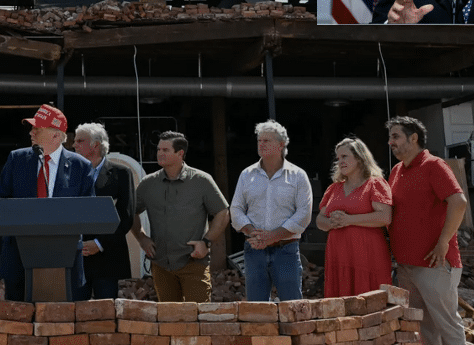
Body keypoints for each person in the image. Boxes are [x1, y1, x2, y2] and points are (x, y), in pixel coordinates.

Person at [385, 115, 472, 345]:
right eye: (390, 138)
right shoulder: (397, 171)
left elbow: (458, 202)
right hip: (407, 265)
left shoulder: (433, 165)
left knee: (447, 325)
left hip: (435, 263)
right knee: (425, 328)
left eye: (396, 137)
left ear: (413, 138)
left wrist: (444, 241)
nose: (391, 143)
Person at [0, 104, 94, 302]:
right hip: (20, 256)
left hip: (65, 260)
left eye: (37, 129)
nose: (31, 132)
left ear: (56, 135)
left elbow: (88, 211)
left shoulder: (80, 166)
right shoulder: (17, 159)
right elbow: (0, 202)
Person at [132, 131, 230, 303]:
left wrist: (206, 242)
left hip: (193, 262)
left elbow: (223, 212)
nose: (160, 153)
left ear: (180, 153)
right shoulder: (148, 184)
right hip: (161, 264)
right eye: (158, 149)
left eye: (165, 150)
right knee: (169, 319)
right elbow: (131, 212)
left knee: (198, 317)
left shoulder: (201, 181)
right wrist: (141, 238)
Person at [230, 120, 313, 302]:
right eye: (259, 140)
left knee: (292, 307)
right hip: (254, 250)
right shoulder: (247, 174)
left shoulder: (298, 176)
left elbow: (304, 214)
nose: (261, 144)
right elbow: (235, 209)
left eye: (267, 140)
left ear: (281, 144)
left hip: (286, 249)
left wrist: (274, 236)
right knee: (256, 309)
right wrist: (254, 234)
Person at [316, 136, 393, 297]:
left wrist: (348, 220)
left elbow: (385, 217)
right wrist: (332, 222)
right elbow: (319, 221)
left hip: (367, 257)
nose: (340, 162)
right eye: (338, 158)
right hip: (338, 257)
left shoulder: (375, 184)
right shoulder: (333, 188)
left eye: (344, 156)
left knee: (369, 305)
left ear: (359, 158)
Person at [71, 123, 135, 300]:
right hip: (76, 257)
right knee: (74, 315)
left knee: (105, 315)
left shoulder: (121, 173)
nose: (74, 145)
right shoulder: (68, 174)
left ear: (95, 145)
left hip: (108, 258)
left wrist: (99, 244)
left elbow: (125, 215)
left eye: (80, 141)